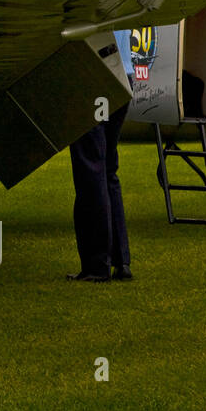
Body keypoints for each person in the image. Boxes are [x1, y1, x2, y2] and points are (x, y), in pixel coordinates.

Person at [67, 29, 134, 282]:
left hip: (93, 76)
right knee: (107, 171)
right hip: (123, 74)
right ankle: (121, 260)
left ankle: (97, 265)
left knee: (90, 171)